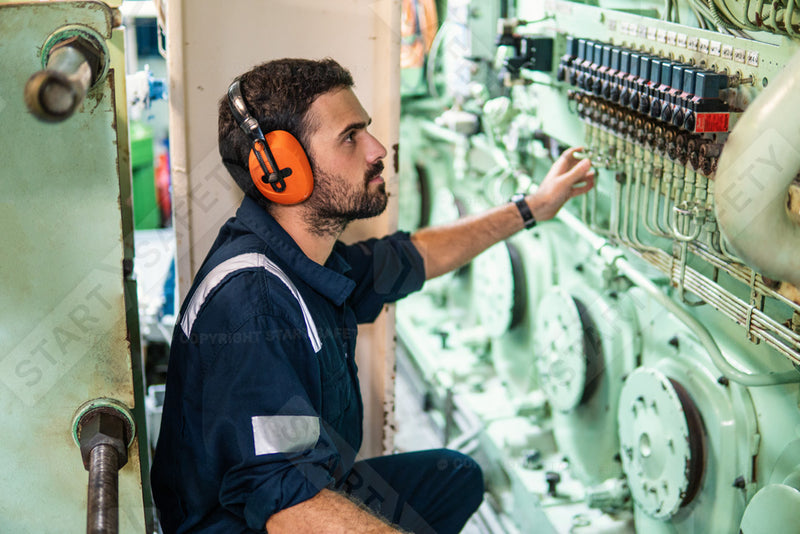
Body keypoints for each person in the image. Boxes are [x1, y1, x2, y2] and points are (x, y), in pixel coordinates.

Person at [151, 58, 595, 534]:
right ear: (282, 170)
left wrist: (532, 207)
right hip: (249, 524)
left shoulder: (304, 261)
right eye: (351, 136)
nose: (378, 149)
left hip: (304, 488)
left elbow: (412, 256)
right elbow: (288, 508)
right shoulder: (254, 304)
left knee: (454, 478)